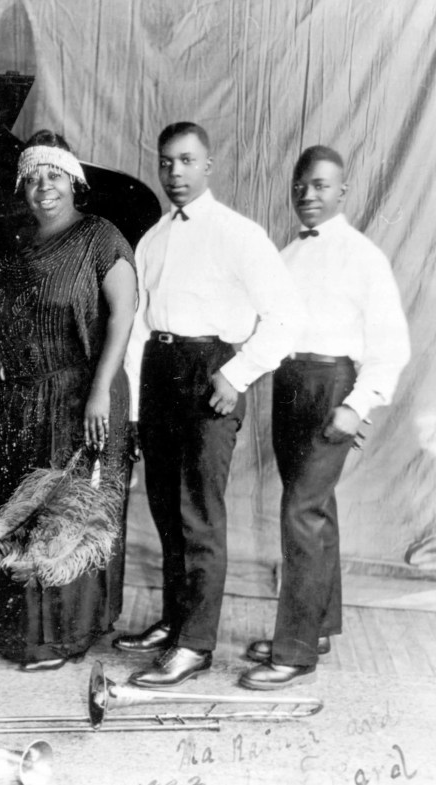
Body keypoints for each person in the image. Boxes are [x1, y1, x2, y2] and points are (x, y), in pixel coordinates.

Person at [114, 122, 302, 688]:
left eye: (187, 161)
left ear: (208, 165)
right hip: (159, 371)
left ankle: (195, 645)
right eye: (166, 162)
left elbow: (286, 316)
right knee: (165, 508)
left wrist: (237, 374)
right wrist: (135, 410)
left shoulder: (238, 234)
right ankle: (175, 621)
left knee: (199, 513)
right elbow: (139, 327)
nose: (175, 172)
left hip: (210, 372)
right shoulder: (153, 238)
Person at [239, 146, 410, 690]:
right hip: (289, 383)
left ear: (342, 191)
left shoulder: (363, 256)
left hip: (333, 385)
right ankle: (315, 628)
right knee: (315, 508)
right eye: (300, 185)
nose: (307, 195)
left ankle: (293, 653)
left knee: (301, 513)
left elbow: (392, 345)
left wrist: (356, 404)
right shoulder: (287, 254)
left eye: (319, 185)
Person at [0, 130, 137, 670]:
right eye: (34, 177)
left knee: (70, 509)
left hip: (82, 394)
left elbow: (123, 316)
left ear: (75, 181)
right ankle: (24, 633)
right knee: (26, 506)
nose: (45, 186)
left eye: (56, 175)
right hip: (26, 397)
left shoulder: (101, 236)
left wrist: (99, 392)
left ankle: (64, 635)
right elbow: (14, 316)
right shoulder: (19, 244)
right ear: (22, 187)